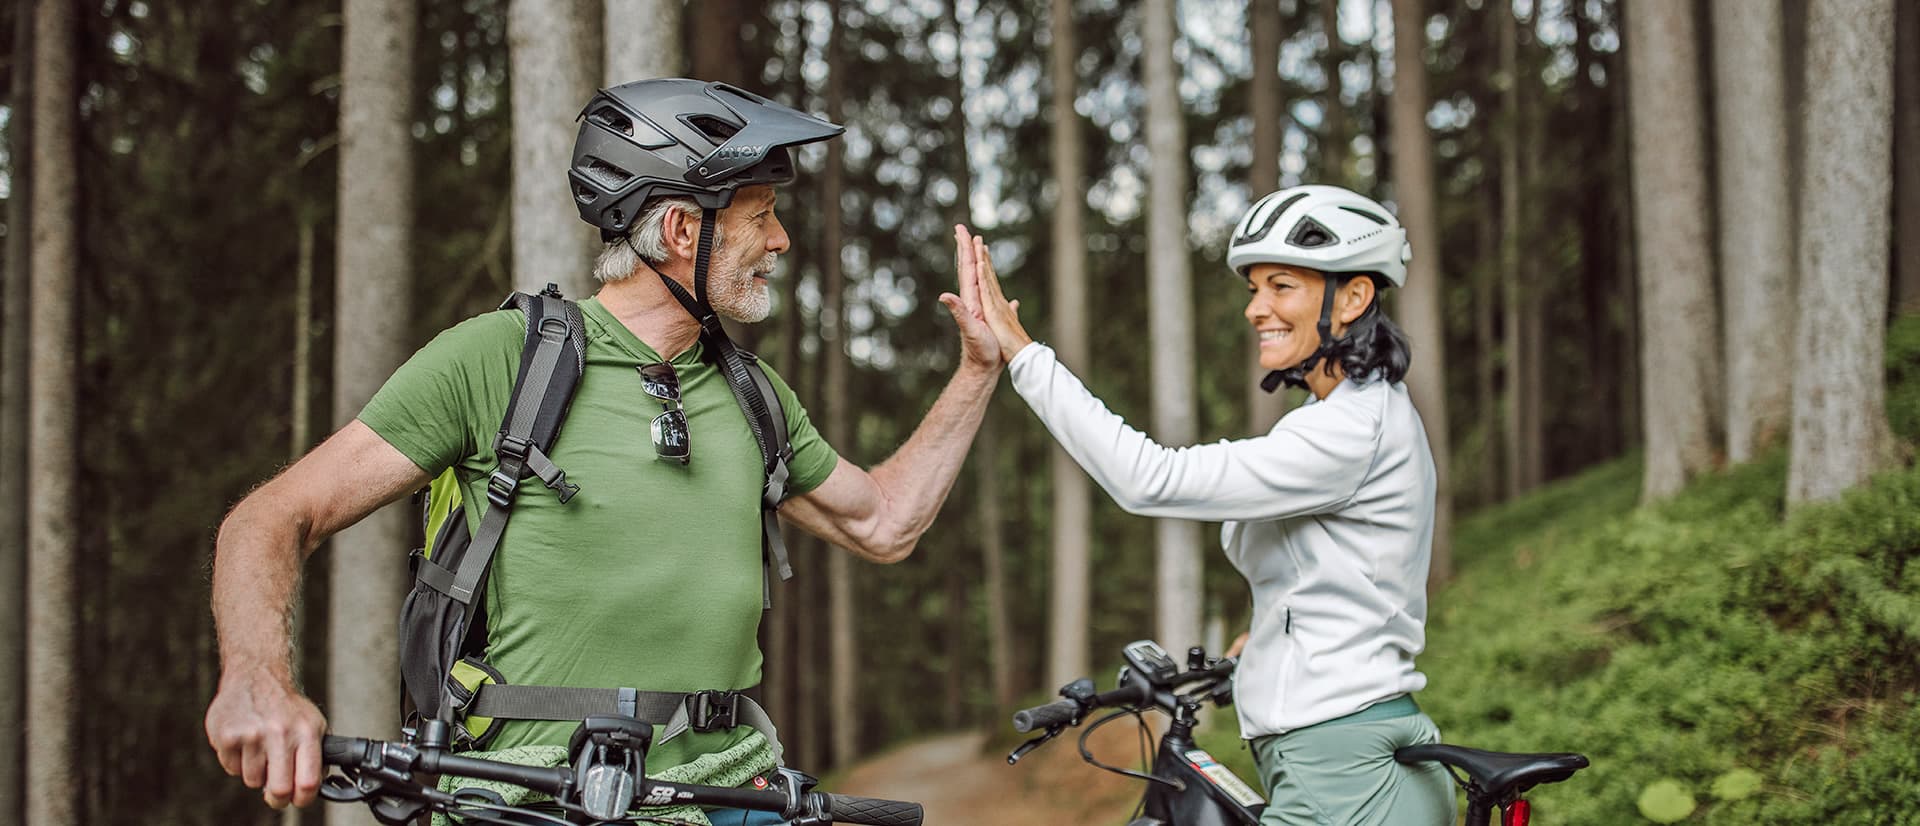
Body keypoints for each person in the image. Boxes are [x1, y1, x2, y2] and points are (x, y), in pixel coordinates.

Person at [204, 79, 1007, 823]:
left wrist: (976, 371)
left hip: (727, 787)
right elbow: (274, 515)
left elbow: (886, 523)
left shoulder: (755, 395)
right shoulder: (501, 361)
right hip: (532, 797)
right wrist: (257, 679)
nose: (782, 239)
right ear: (681, 228)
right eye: (760, 214)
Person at [971, 185, 1457, 825]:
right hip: (1336, 753)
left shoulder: (1347, 431)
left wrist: (1025, 357)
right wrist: (1267, 640)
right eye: (1254, 290)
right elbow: (1341, 569)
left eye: (1281, 287)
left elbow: (1149, 477)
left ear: (1355, 297)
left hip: (1340, 771)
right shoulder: (1339, 415)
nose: (1257, 309)